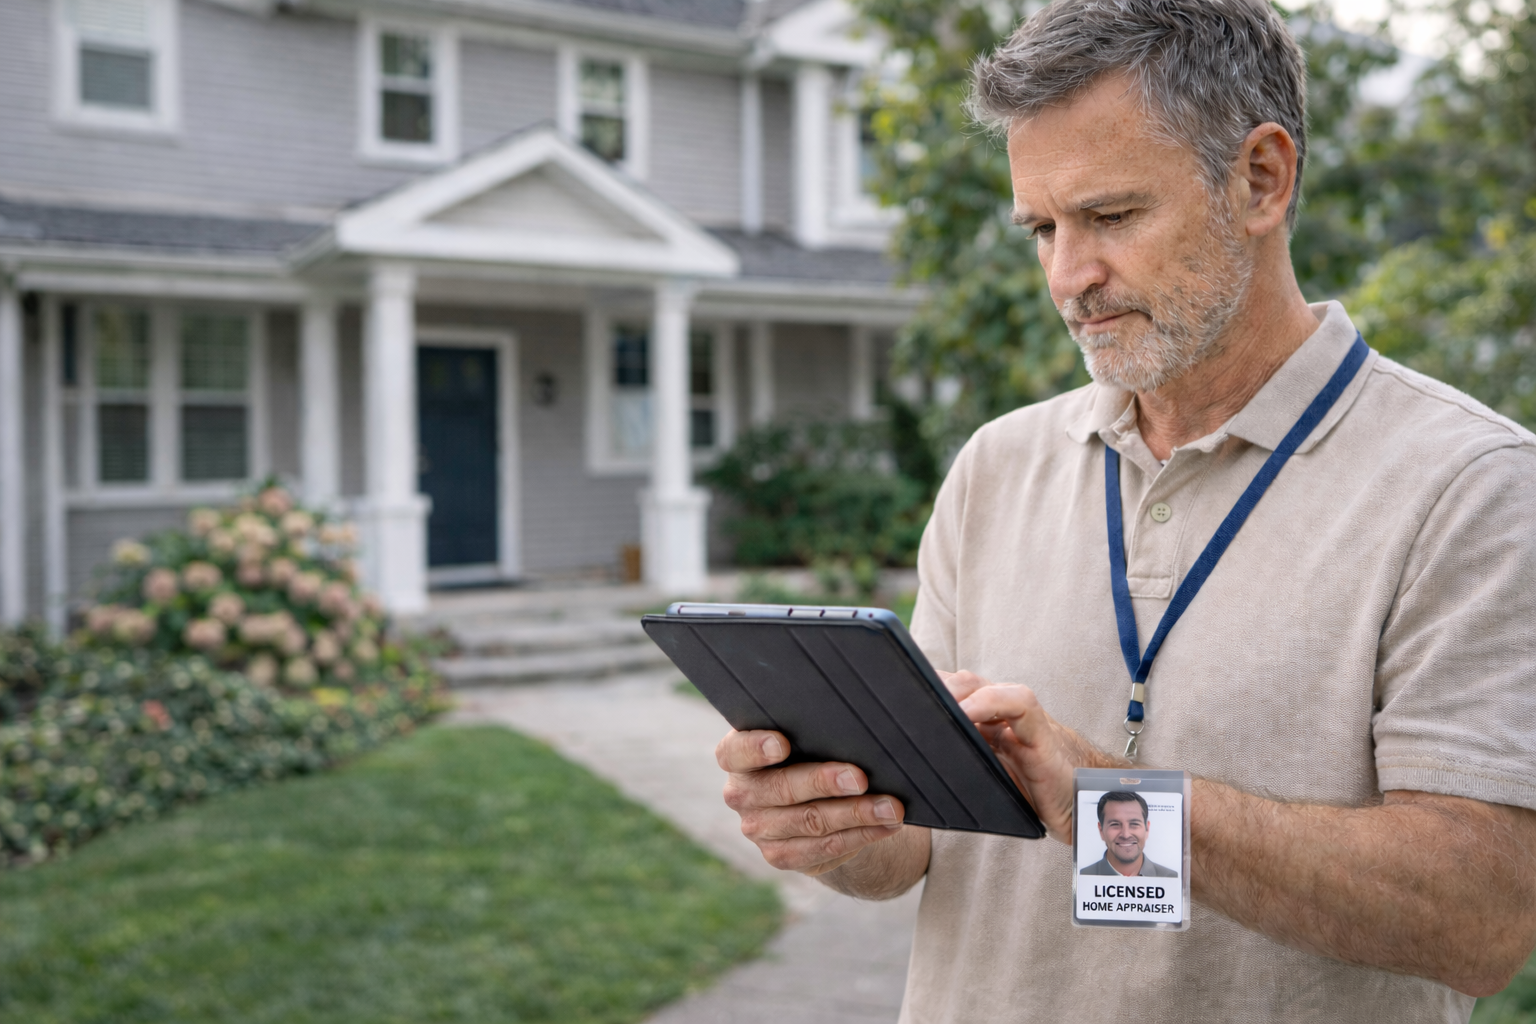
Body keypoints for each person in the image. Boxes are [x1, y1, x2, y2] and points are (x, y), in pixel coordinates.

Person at [712, 0, 1536, 1020]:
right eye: (1042, 229)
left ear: (1261, 179)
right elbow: (910, 855)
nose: (1070, 277)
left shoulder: (1470, 483)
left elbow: (1481, 918)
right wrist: (835, 823)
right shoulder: (993, 468)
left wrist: (1108, 798)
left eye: (1110, 217)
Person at [1079, 791, 1177, 878]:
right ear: (1101, 830)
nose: (1125, 835)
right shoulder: (1082, 877)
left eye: (1134, 824)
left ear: (1147, 829)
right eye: (1115, 824)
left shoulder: (1171, 878)